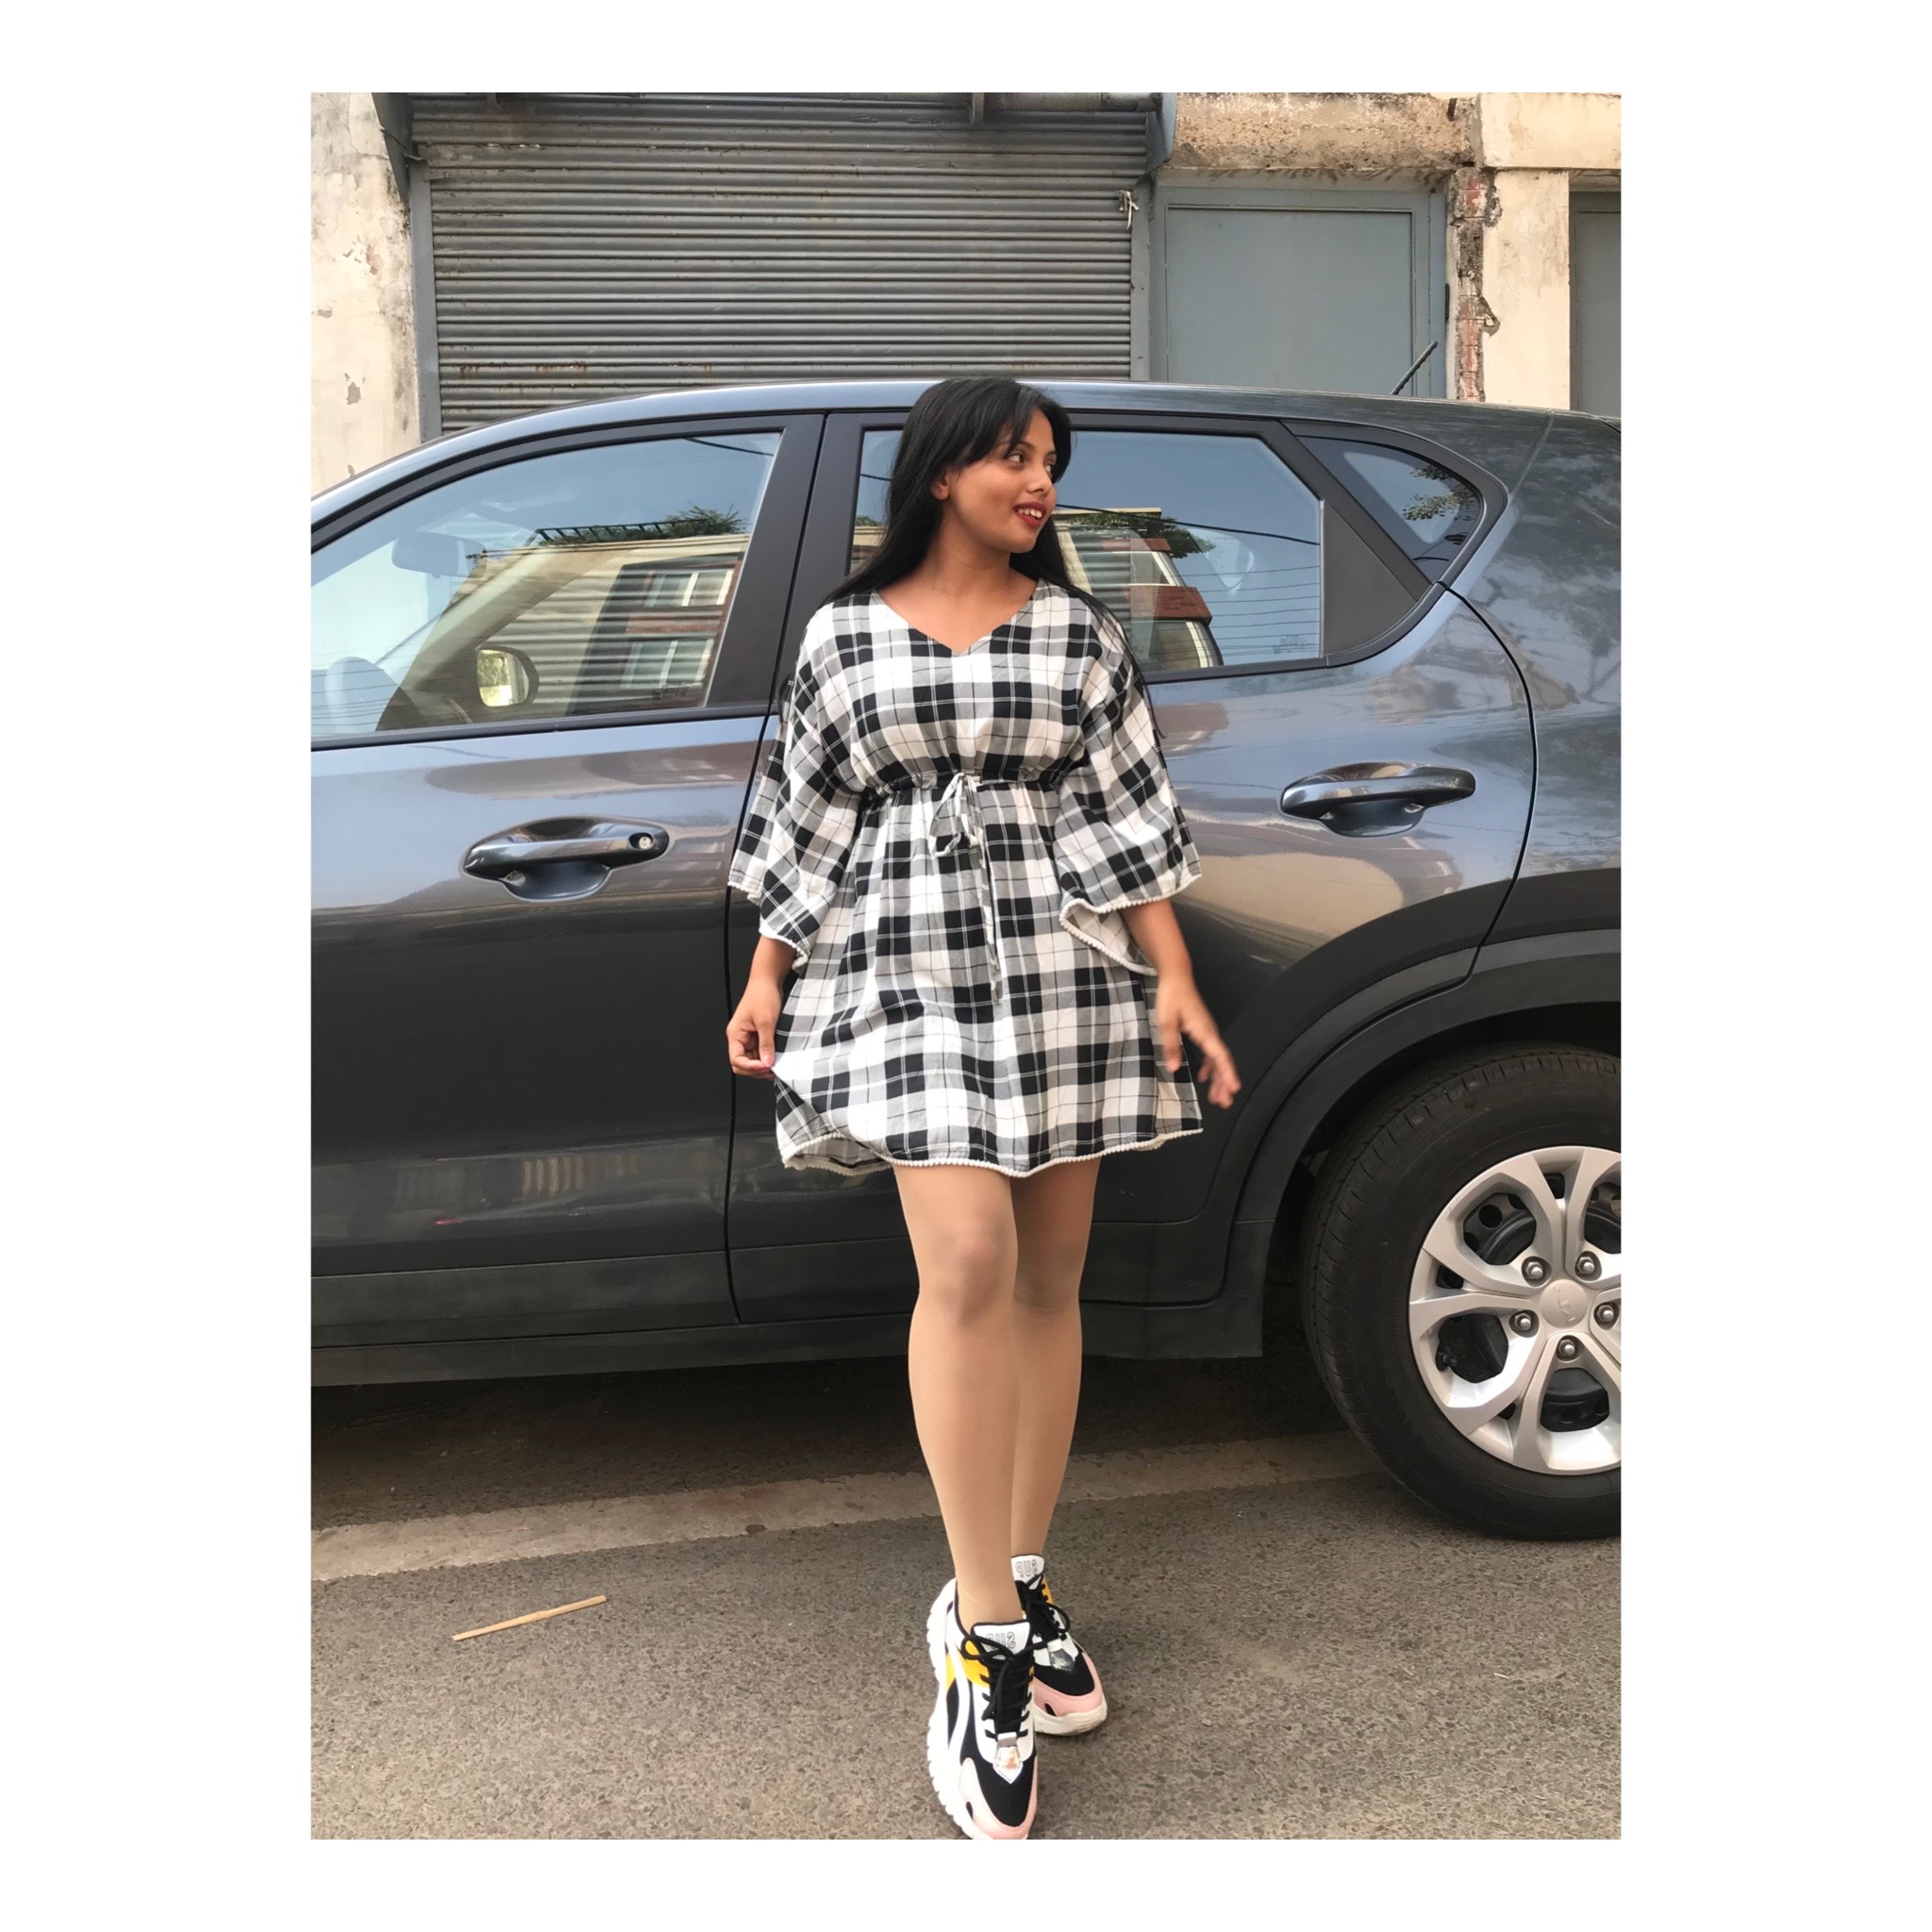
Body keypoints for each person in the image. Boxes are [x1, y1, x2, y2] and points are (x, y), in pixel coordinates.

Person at [724, 375, 1240, 1840]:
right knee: (965, 1262)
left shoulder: (1079, 634)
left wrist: (1177, 982)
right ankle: (987, 1646)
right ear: (943, 470)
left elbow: (1127, 822)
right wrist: (766, 973)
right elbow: (805, 820)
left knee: (1050, 1278)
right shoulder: (841, 637)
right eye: (1017, 456)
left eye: (1051, 462)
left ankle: (1013, 1570)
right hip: (901, 969)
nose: (1041, 483)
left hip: (1061, 965)